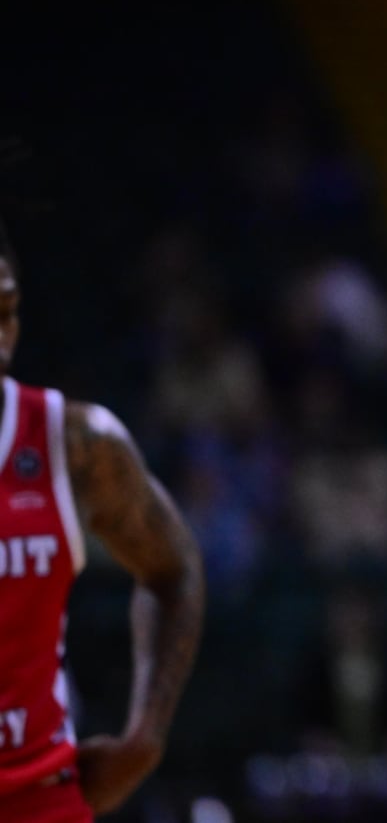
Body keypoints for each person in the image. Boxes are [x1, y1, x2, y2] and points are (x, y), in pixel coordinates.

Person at [0, 228, 206, 821]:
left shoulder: (74, 442)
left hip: (38, 798)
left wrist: (145, 736)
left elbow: (175, 570)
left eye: (7, 312)